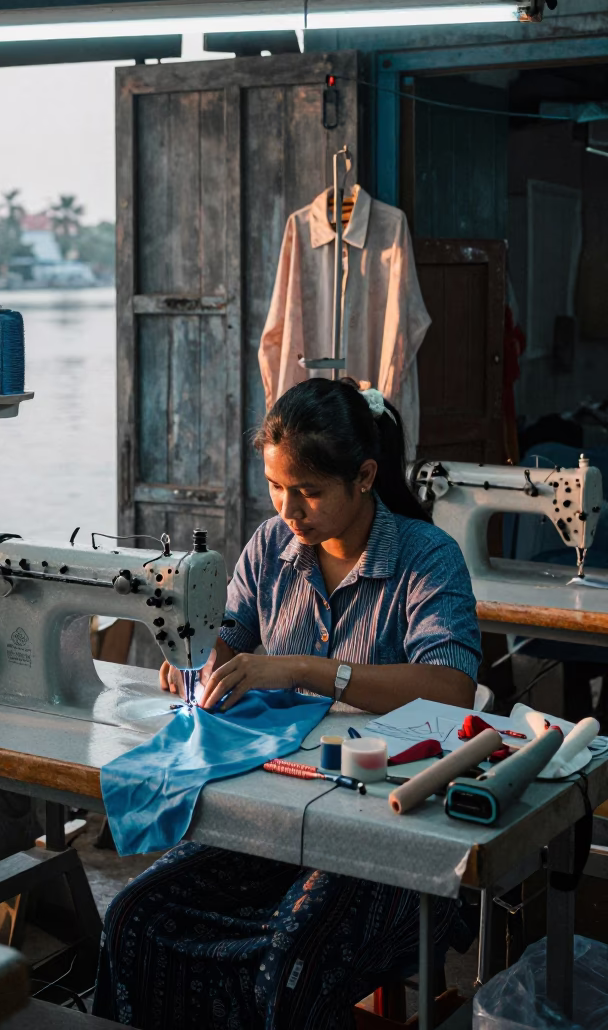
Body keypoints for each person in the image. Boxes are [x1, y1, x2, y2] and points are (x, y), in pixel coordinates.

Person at [93, 379, 482, 1029]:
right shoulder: (270, 550)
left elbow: (451, 688)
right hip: (272, 818)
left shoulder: (426, 559)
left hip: (390, 839)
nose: (287, 509)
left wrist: (307, 670)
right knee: (134, 917)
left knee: (287, 959)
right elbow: (229, 640)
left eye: (307, 491)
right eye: (276, 487)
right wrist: (198, 654)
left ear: (364, 476)